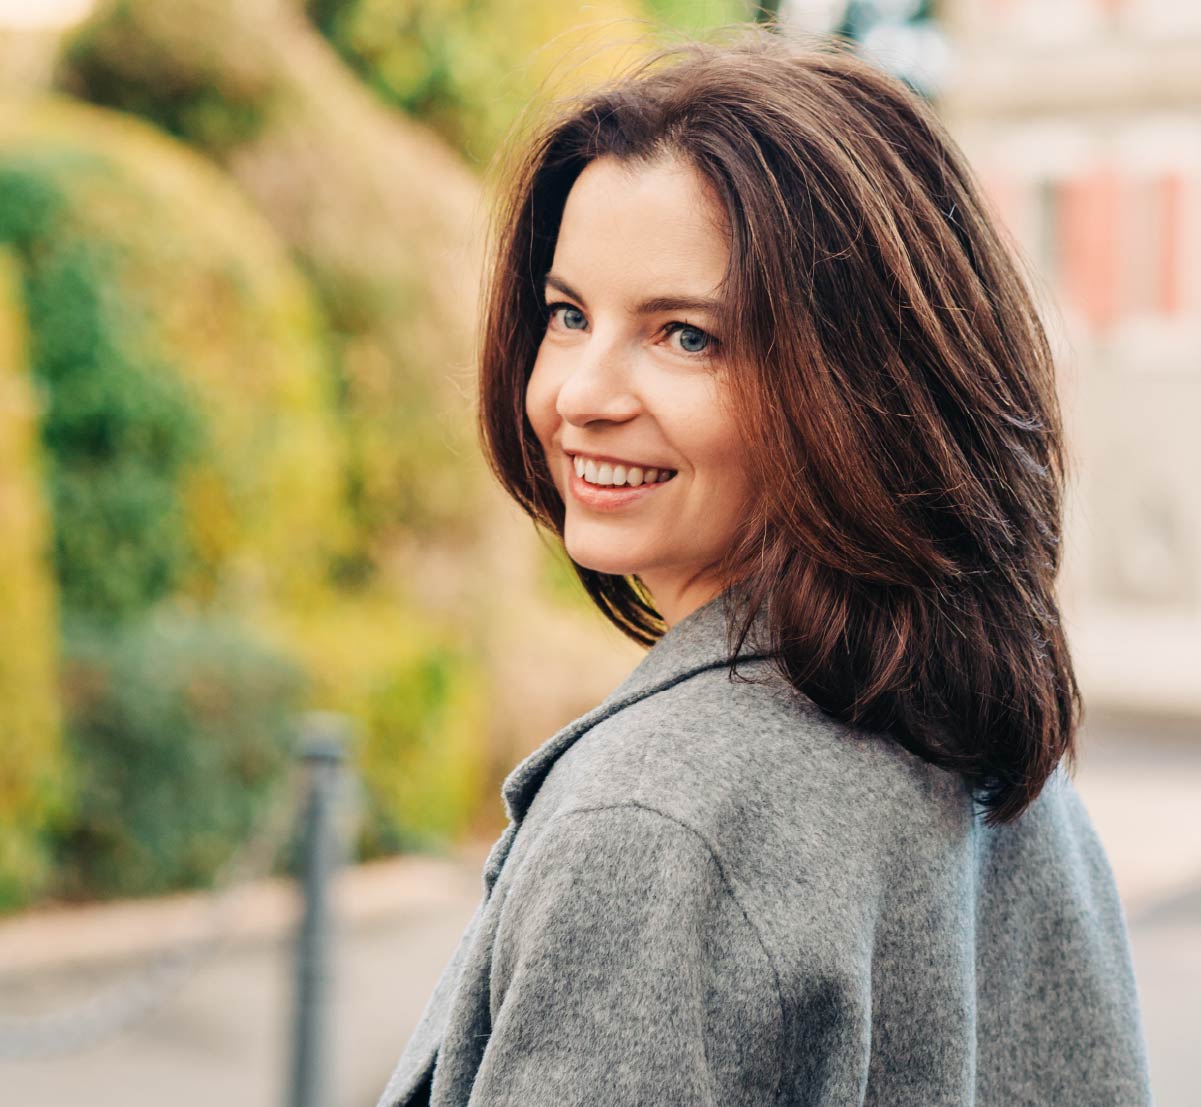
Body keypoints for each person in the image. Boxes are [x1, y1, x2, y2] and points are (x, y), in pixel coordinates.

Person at [375, 24, 1152, 1107]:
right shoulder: (988, 749)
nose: (579, 394)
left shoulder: (656, 825)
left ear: (854, 384)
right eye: (567, 315)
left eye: (685, 335)